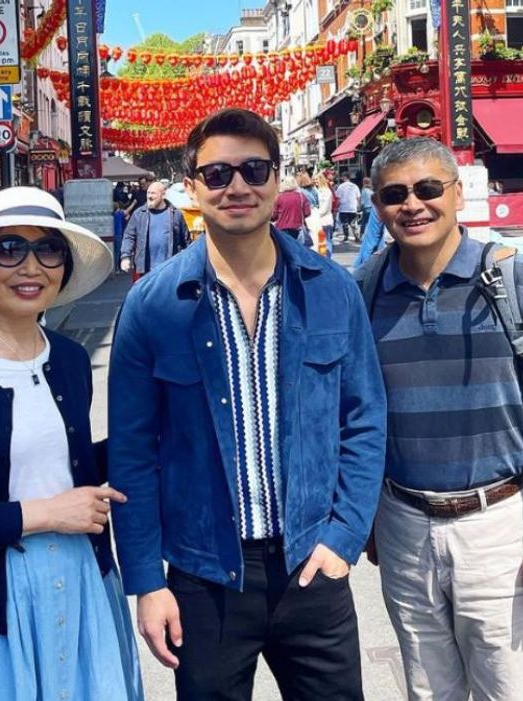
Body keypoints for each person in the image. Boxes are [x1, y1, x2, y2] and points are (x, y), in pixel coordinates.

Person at [108, 108, 386, 700]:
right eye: (218, 174)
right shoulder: (154, 304)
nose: (238, 187)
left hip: (311, 564)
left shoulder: (331, 289)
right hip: (203, 576)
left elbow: (363, 420)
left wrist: (344, 537)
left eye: (255, 170)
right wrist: (145, 582)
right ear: (192, 187)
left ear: (278, 178)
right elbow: (132, 451)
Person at [0, 186, 142, 700]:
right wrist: (47, 514)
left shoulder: (69, 358)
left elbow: (68, 466)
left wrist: (147, 439)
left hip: (83, 578)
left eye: (48, 249)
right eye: (10, 248)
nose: (30, 266)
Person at [356, 137, 523, 699]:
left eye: (429, 189)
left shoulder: (510, 279)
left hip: (501, 521)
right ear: (377, 205)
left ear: (456, 193)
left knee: (508, 684)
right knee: (428, 690)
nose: (414, 205)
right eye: (395, 194)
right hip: (404, 523)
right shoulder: (362, 293)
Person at [119, 181, 191, 280]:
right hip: (145, 271)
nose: (149, 196)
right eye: (148, 193)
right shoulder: (139, 214)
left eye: (153, 193)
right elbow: (129, 236)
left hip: (170, 270)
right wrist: (125, 257)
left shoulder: (176, 214)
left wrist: (190, 264)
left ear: (163, 195)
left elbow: (187, 241)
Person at [272, 175, 311, 243]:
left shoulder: (279, 198)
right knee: (298, 250)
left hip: (281, 229)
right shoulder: (301, 196)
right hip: (297, 229)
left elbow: (274, 216)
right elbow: (307, 213)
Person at [335, 172, 362, 242]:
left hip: (343, 208)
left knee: (345, 223)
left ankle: (346, 236)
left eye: (342, 177)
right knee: (353, 223)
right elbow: (358, 197)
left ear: (344, 177)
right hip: (353, 207)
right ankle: (356, 236)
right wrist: (359, 206)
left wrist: (336, 207)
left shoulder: (341, 186)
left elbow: (337, 198)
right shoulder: (355, 186)